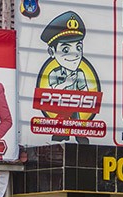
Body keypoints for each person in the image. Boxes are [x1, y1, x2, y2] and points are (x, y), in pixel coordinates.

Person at [40, 10, 90, 143]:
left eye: (78, 48)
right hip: (60, 104)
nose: (75, 55)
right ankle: (64, 133)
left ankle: (76, 134)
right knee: (67, 110)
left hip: (75, 104)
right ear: (51, 52)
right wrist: (67, 84)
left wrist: (85, 99)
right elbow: (53, 91)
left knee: (75, 113)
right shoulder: (54, 73)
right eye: (66, 50)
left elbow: (85, 91)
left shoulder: (80, 73)